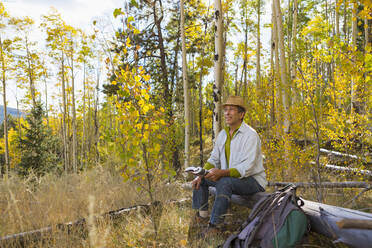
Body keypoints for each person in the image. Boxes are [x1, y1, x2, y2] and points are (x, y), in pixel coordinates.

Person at [191, 95, 267, 235]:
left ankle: (215, 226)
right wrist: (201, 173)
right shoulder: (222, 135)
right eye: (225, 110)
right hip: (232, 179)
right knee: (201, 179)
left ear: (241, 114)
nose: (227, 113)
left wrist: (222, 173)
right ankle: (202, 217)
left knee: (224, 183)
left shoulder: (250, 135)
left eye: (231, 109)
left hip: (253, 181)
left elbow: (247, 168)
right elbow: (214, 159)